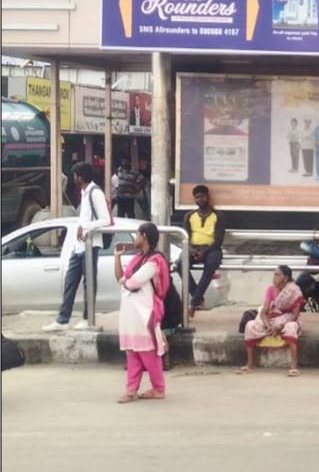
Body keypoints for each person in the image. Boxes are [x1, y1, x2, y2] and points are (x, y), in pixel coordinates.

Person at [43, 162, 112, 332]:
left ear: (80, 177)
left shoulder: (95, 193)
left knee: (89, 283)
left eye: (75, 175)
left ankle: (88, 318)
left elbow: (106, 220)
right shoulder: (84, 192)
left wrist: (86, 227)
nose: (73, 178)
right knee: (70, 281)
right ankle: (62, 318)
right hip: (79, 246)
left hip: (90, 245)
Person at [114, 222, 170, 403]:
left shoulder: (155, 261)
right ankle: (131, 390)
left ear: (144, 236)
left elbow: (132, 282)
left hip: (144, 313)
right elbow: (121, 279)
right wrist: (117, 257)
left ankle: (158, 388)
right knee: (133, 352)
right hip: (132, 314)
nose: (135, 238)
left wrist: (126, 280)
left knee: (148, 353)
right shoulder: (138, 259)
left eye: (137, 235)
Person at [239, 265, 304, 377]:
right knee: (250, 325)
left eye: (277, 274)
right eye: (274, 274)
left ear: (285, 278)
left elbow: (295, 315)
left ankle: (293, 366)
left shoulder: (294, 290)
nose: (274, 277)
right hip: (272, 319)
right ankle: (250, 363)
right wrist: (267, 325)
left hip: (287, 319)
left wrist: (280, 326)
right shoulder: (271, 289)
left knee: (291, 327)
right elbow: (264, 312)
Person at [174, 185, 225, 316]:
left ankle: (193, 301)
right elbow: (185, 236)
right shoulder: (189, 216)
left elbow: (218, 240)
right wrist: (191, 250)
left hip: (211, 248)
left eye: (202, 196)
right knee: (180, 265)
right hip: (193, 248)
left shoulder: (217, 215)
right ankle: (199, 299)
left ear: (208, 197)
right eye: (197, 197)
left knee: (211, 265)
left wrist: (204, 252)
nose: (200, 199)